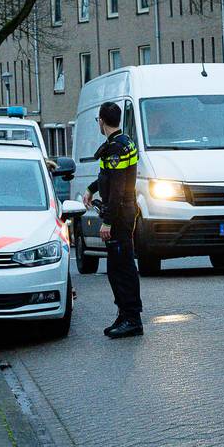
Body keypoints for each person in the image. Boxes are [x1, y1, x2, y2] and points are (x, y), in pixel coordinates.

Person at [83, 102, 142, 339]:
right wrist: (91, 188)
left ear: (101, 121)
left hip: (119, 215)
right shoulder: (123, 143)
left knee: (121, 268)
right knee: (118, 266)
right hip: (124, 212)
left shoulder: (116, 149)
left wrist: (107, 222)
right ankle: (124, 314)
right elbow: (110, 177)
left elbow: (117, 189)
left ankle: (131, 318)